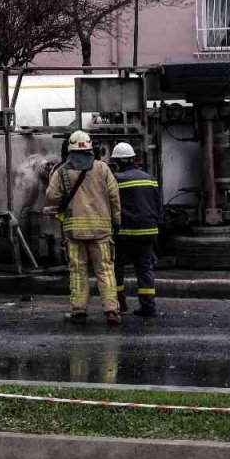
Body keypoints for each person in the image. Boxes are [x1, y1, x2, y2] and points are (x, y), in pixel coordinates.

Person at [46, 130, 122, 325]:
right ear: (91, 148)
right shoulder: (103, 169)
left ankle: (79, 311)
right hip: (101, 232)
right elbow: (114, 197)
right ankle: (112, 310)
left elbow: (52, 196)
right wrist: (117, 221)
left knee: (78, 272)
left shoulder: (62, 171)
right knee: (105, 271)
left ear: (69, 149)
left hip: (74, 233)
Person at [109, 142, 163, 318]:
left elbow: (111, 206)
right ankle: (148, 307)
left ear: (117, 161)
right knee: (144, 268)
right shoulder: (150, 179)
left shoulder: (115, 179)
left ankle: (119, 304)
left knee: (118, 267)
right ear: (133, 159)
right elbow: (158, 206)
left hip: (124, 233)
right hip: (148, 231)